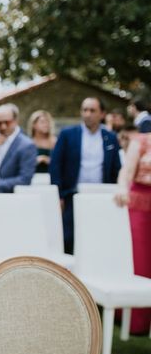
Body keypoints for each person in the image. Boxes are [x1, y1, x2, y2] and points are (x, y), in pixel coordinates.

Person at [50, 97, 121, 253]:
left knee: (97, 237)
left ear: (102, 114)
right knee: (69, 238)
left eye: (92, 110)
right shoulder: (68, 134)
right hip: (71, 195)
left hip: (100, 196)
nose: (87, 114)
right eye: (85, 110)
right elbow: (56, 165)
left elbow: (116, 168)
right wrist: (58, 194)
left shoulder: (110, 137)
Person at [114, 132, 151, 335]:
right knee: (141, 262)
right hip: (140, 205)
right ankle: (137, 322)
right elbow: (126, 172)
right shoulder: (141, 141)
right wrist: (121, 189)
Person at [0, 103, 37, 193]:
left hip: (7, 197)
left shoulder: (26, 145)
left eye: (7, 122)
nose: (3, 127)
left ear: (15, 121)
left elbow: (25, 179)